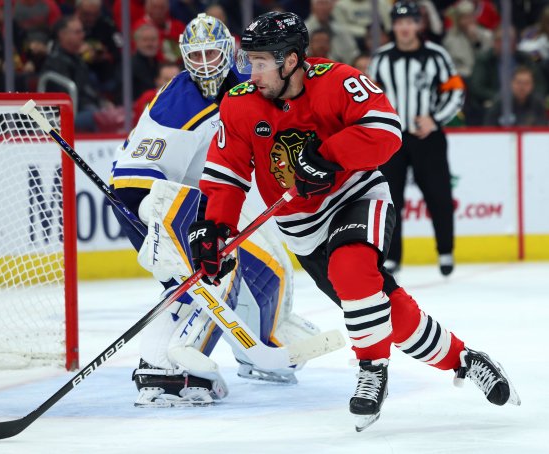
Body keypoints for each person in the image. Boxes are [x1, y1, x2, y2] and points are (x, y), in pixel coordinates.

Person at [188, 10, 519, 432]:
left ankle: (371, 372)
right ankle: (466, 360)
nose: (249, 71)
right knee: (386, 311)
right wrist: (214, 229)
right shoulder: (239, 103)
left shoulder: (337, 80)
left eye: (259, 62)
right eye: (248, 60)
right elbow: (226, 175)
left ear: (291, 60)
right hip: (302, 229)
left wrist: (328, 154)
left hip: (356, 195)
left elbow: (385, 130)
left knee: (352, 268)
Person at [111, 13, 320, 407]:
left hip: (209, 203)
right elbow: (130, 181)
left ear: (229, 51)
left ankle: (260, 347)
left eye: (212, 52)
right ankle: (162, 368)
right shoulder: (177, 103)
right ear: (184, 57)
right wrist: (164, 230)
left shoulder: (245, 85)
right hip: (157, 204)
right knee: (212, 273)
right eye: (197, 54)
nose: (206, 62)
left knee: (272, 267)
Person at [368, 1, 465, 276]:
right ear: (393, 26)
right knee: (389, 199)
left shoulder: (436, 55)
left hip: (428, 138)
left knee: (439, 195)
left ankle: (445, 251)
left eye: (410, 22)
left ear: (419, 25)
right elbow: (371, 97)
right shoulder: (381, 58)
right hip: (392, 140)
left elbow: (456, 91)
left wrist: (435, 119)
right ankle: (392, 257)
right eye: (400, 23)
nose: (405, 28)